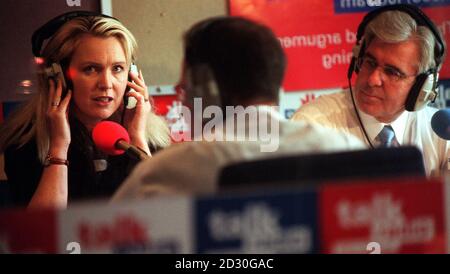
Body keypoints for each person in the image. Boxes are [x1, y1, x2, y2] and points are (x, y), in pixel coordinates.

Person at [112, 16, 365, 201]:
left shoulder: (167, 172)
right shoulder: (345, 151)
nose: (184, 102)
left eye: (184, 89)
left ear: (205, 89)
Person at [0, 11, 170, 209]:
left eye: (117, 69)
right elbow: (40, 232)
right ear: (59, 78)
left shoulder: (152, 140)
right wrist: (58, 147)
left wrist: (137, 138)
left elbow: (162, 221)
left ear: (131, 76)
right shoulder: (25, 143)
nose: (106, 83)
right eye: (90, 69)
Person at [291, 4, 448, 177]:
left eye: (392, 72)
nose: (373, 79)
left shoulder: (442, 132)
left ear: (422, 86)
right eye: (370, 62)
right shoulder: (313, 126)